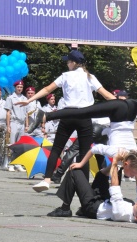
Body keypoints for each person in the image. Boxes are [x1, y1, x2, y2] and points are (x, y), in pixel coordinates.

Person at [16, 50, 116, 191]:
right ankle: (84, 186)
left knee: (57, 148)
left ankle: (47, 180)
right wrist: (124, 105)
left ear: (73, 63)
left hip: (68, 114)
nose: (67, 64)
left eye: (68, 61)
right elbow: (106, 95)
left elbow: (46, 89)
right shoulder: (90, 77)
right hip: (84, 115)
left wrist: (29, 100)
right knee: (84, 152)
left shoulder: (65, 76)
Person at [48, 148, 137, 225]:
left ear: (136, 217)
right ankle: (80, 210)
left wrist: (115, 161)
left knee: (74, 172)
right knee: (101, 175)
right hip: (105, 201)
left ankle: (65, 209)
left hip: (93, 207)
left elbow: (115, 187)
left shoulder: (122, 212)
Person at [5, 80, 27, 172]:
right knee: (12, 143)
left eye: (21, 87)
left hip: (22, 123)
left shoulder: (24, 98)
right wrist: (8, 125)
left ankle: (18, 163)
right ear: (15, 88)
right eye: (18, 87)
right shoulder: (10, 98)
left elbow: (26, 114)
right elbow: (8, 112)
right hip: (14, 122)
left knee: (20, 145)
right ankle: (10, 163)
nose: (19, 89)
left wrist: (26, 125)